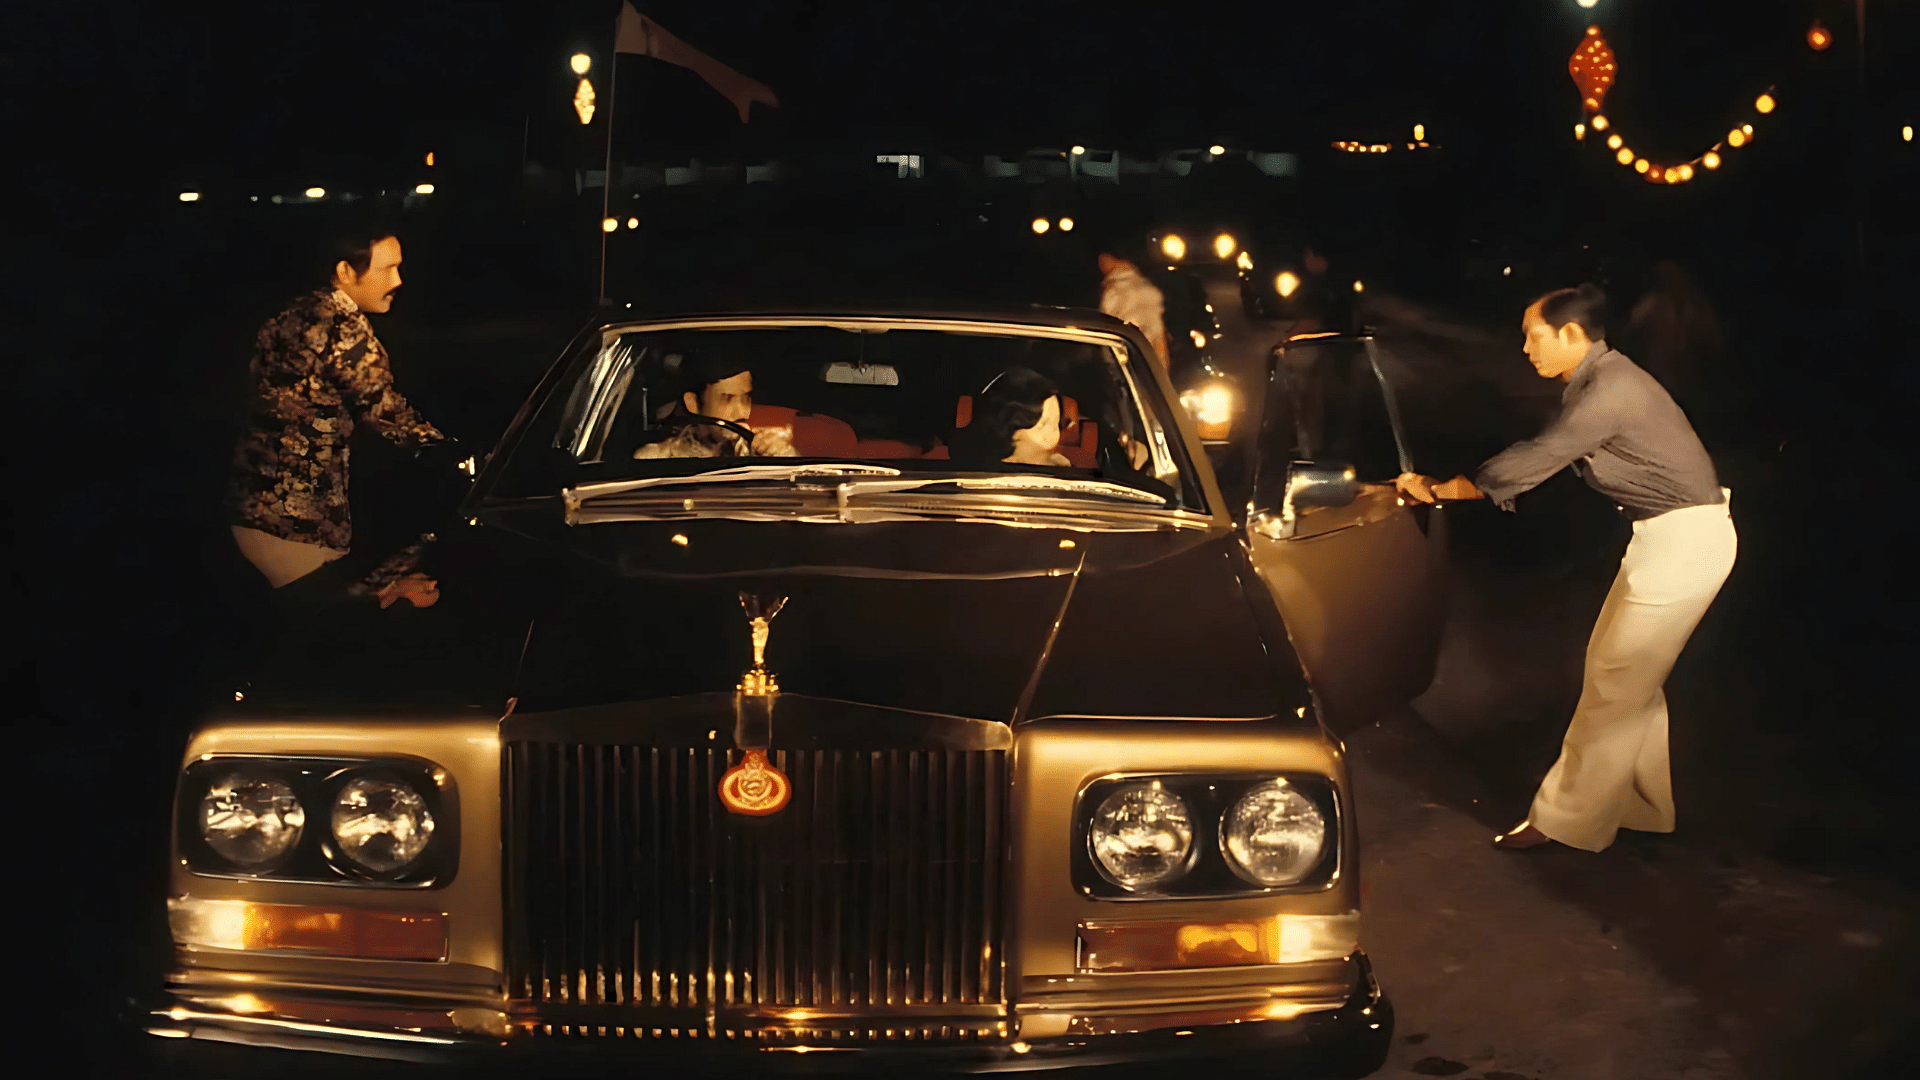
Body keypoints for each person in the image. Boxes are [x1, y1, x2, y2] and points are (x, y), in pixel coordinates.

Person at [1395, 284, 1736, 853]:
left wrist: (1438, 489)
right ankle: (1638, 806)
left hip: (1687, 543)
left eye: (1534, 335)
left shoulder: (1610, 391)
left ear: (1572, 334)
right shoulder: (1603, 380)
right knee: (1622, 677)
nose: (1525, 348)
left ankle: (1562, 821)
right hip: (1667, 538)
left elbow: (1537, 457)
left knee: (1615, 683)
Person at [226, 219, 449, 609]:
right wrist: (453, 454)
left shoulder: (291, 315)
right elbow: (384, 411)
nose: (397, 280)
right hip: (296, 526)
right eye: (386, 269)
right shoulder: (343, 327)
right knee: (335, 623)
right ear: (346, 271)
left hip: (251, 509)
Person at [633, 355, 796, 459]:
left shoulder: (761, 452)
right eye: (726, 399)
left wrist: (783, 458)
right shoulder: (658, 459)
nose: (742, 412)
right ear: (693, 403)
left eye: (746, 398)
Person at [957, 367, 1072, 467]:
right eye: (1042, 425)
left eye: (1055, 423)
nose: (1051, 435)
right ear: (1010, 427)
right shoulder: (977, 468)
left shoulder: (1058, 466)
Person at [1097, 253, 1170, 371]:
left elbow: (1108, 338)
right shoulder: (1144, 287)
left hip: (1129, 362)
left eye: (1104, 259)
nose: (1101, 264)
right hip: (1144, 363)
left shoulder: (1117, 292)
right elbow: (1159, 340)